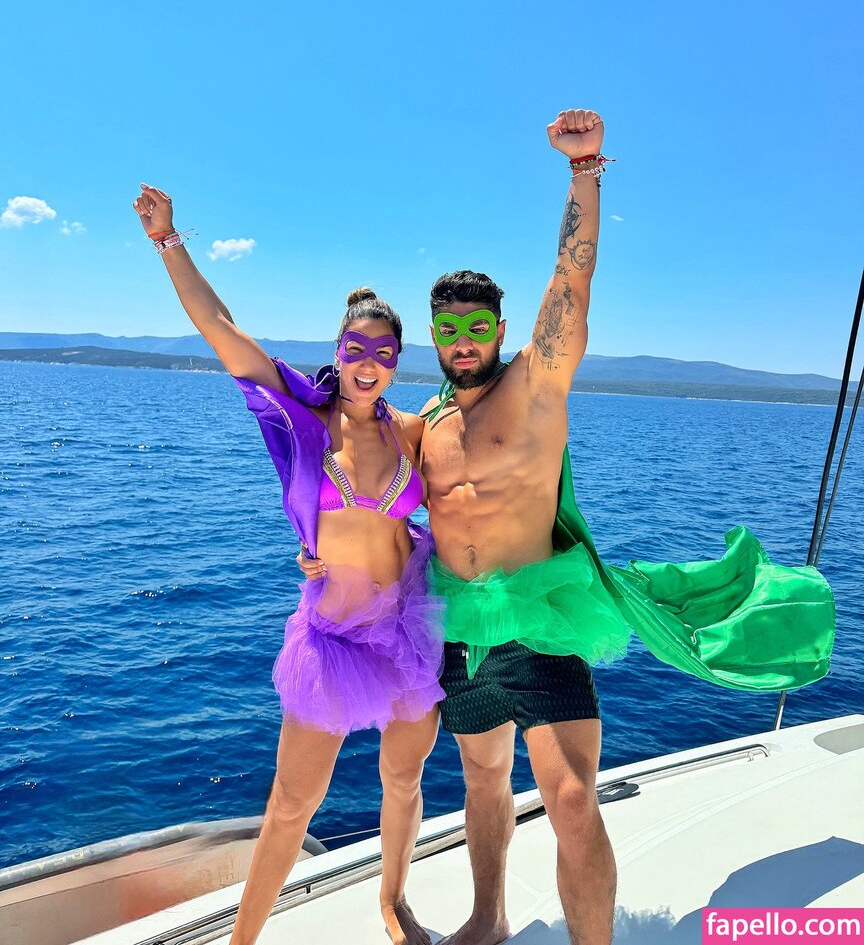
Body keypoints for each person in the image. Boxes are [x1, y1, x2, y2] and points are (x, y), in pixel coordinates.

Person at [413, 108, 834, 945]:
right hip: (459, 630)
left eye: (477, 328)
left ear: (499, 331)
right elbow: (363, 489)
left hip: (544, 624)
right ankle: (488, 920)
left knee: (571, 800)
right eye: (449, 329)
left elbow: (572, 279)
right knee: (482, 782)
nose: (463, 342)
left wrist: (583, 171)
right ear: (435, 334)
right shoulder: (422, 424)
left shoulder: (535, 387)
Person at [131, 184, 444, 945]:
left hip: (409, 626)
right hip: (333, 638)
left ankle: (393, 903)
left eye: (383, 354)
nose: (368, 364)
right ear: (338, 351)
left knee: (404, 781)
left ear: (397, 364)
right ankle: (243, 940)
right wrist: (168, 241)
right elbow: (220, 329)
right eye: (356, 349)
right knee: (292, 805)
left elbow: (471, 485)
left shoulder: (411, 432)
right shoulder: (302, 419)